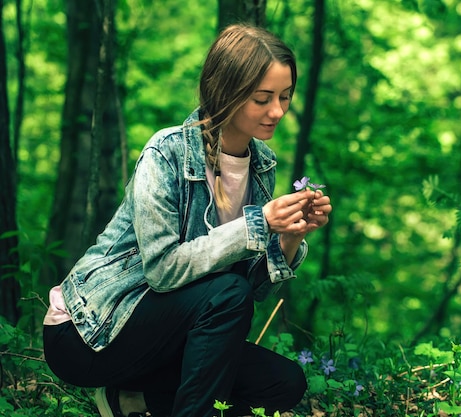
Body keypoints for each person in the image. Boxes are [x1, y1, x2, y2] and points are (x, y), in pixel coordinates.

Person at [42, 23, 332, 417]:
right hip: (90, 334)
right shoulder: (166, 153)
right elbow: (163, 271)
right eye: (262, 98)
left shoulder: (262, 165)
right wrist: (257, 223)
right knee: (227, 293)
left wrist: (289, 239)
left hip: (163, 341)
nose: (277, 111)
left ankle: (132, 401)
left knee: (283, 383)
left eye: (284, 97)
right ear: (227, 92)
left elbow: (249, 291)